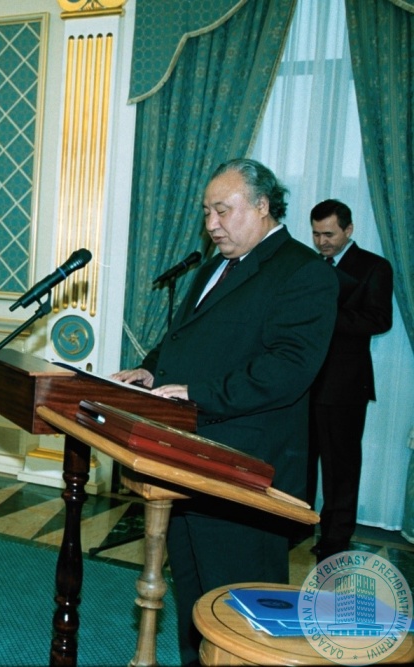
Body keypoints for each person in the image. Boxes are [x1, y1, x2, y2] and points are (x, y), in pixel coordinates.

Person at [111, 159, 337, 666]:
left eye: (222, 210)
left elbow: (288, 368)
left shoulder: (303, 271)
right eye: (206, 212)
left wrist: (198, 393)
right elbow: (182, 338)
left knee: (241, 611)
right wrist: (150, 370)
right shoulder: (214, 265)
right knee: (195, 597)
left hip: (246, 468)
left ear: (261, 206)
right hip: (189, 459)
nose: (211, 223)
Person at [307, 198, 393, 561]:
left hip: (345, 384)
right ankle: (297, 526)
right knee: (301, 460)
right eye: (316, 234)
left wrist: (327, 317)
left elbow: (379, 320)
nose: (322, 241)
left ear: (349, 229)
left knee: (340, 466)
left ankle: (336, 538)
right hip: (304, 381)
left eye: (329, 234)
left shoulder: (374, 266)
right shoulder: (310, 265)